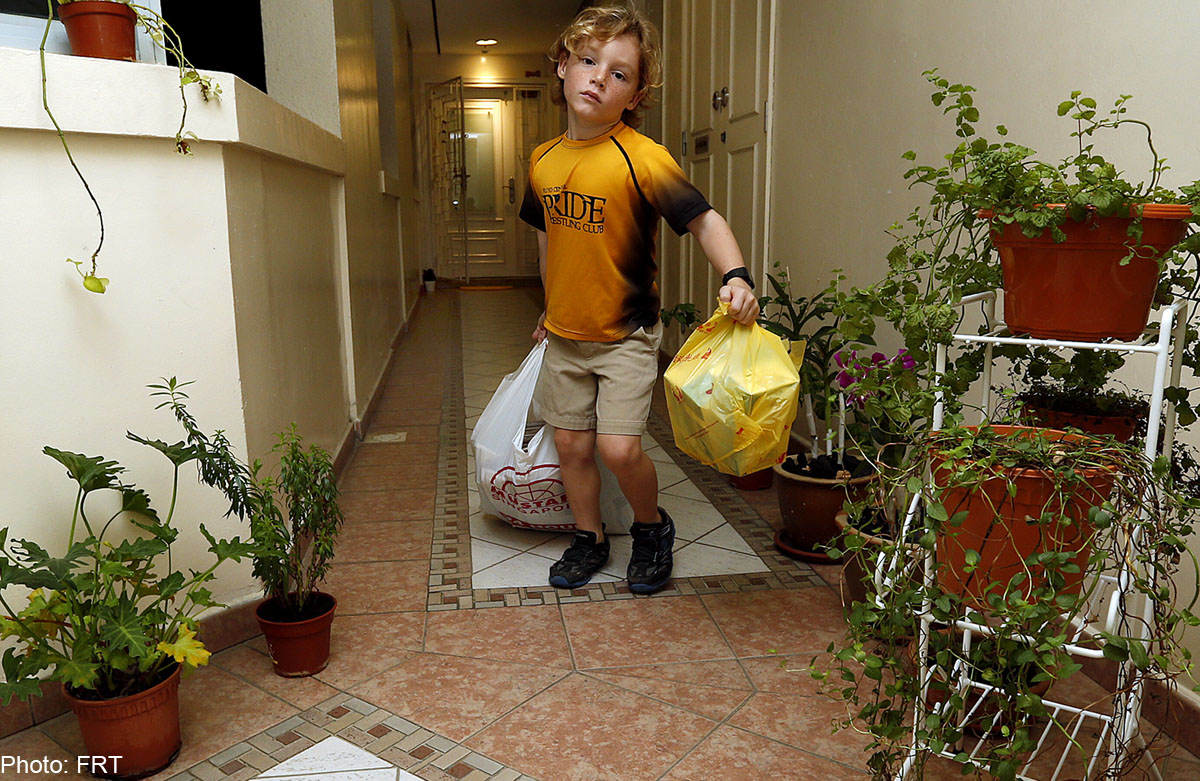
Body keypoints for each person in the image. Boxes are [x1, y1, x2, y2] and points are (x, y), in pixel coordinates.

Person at [519, 4, 759, 593]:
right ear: (563, 66)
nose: (598, 78)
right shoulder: (543, 160)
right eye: (587, 60)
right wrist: (549, 308)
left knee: (620, 448)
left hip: (625, 333)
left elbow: (703, 219)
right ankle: (589, 537)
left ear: (635, 95)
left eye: (619, 73)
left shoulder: (642, 156)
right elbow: (549, 237)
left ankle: (651, 529)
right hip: (565, 335)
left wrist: (737, 276)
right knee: (571, 444)